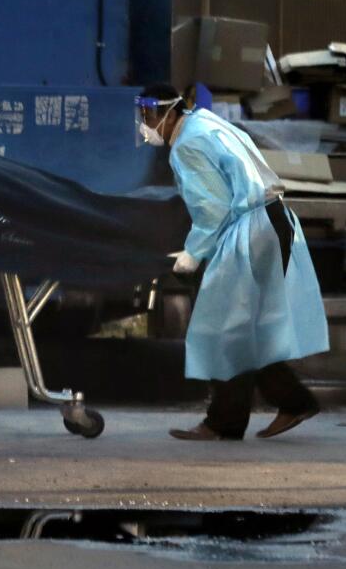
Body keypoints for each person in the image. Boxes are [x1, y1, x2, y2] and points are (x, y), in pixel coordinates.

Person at [138, 84, 329, 440]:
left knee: (223, 327)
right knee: (247, 327)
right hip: (273, 221)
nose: (145, 125)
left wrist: (193, 254)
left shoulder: (186, 145)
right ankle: (291, 401)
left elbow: (212, 209)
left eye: (149, 116)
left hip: (251, 230)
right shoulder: (204, 122)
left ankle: (226, 420)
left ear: (170, 112)